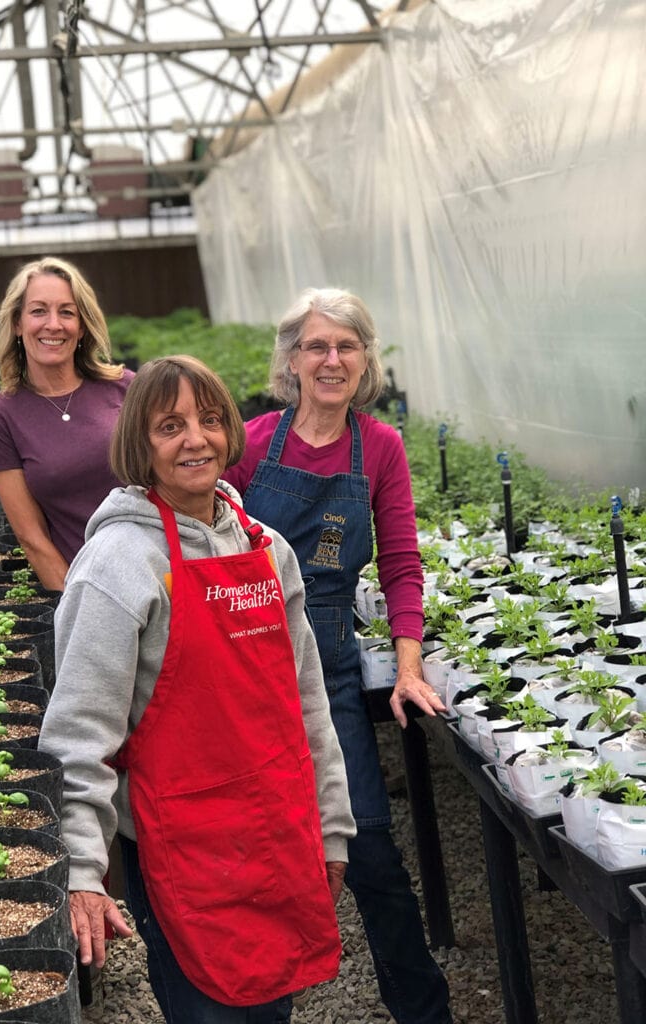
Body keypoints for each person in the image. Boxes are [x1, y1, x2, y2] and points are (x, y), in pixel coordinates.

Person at [37, 354, 356, 1024]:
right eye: (170, 426)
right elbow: (78, 731)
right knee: (209, 1009)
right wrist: (84, 871)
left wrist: (331, 826)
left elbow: (309, 705)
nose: (195, 440)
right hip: (180, 843)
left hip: (274, 829)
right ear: (139, 445)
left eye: (210, 421)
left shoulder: (267, 551)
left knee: (272, 1006)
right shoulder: (120, 564)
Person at [221, 287, 453, 1024]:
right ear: (291, 359)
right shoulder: (253, 442)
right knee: (258, 844)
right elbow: (206, 546)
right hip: (248, 649)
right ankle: (259, 1002)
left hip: (329, 651)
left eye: (346, 346)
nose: (331, 360)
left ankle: (423, 1010)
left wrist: (408, 667)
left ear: (364, 360)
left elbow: (401, 565)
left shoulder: (378, 448)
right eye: (316, 346)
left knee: (371, 847)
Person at [0, 256, 135, 591]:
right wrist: (77, 604)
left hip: (165, 569)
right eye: (38, 311)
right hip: (92, 585)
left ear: (82, 325)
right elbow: (31, 537)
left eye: (66, 312)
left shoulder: (128, 387)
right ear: (18, 323)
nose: (53, 324)